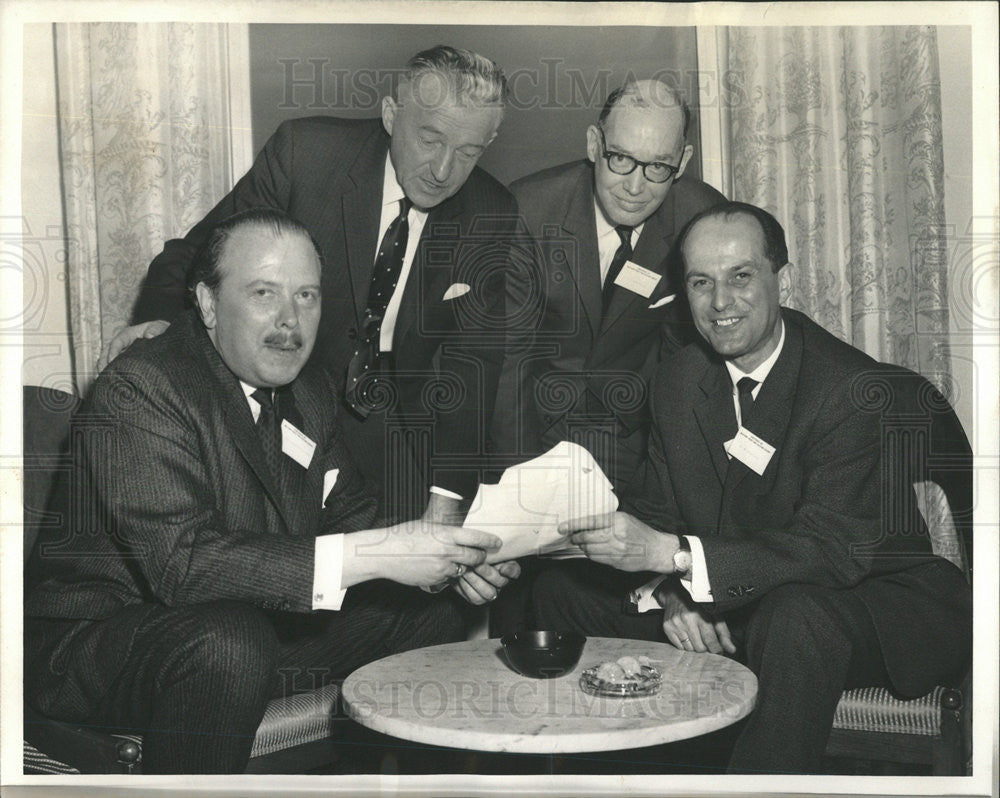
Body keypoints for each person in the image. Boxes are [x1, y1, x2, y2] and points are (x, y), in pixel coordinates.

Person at [24, 210, 510, 774]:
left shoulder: (308, 392)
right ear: (207, 304)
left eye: (306, 295)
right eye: (263, 293)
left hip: (244, 630)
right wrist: (380, 554)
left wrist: (447, 561)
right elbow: (181, 567)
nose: (290, 321)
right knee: (230, 642)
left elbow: (350, 515)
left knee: (430, 615)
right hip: (99, 650)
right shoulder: (141, 386)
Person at [531, 202, 973, 773]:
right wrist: (672, 589)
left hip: (872, 602)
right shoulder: (679, 378)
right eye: (701, 282)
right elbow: (660, 509)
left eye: (741, 276)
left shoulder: (852, 389)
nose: (721, 303)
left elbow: (827, 549)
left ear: (778, 276)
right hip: (745, 595)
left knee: (794, 617)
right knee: (556, 592)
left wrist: (676, 557)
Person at [100, 45, 519, 544]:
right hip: (292, 398)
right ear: (391, 115)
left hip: (401, 425)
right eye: (430, 139)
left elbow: (470, 368)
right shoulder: (306, 155)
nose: (443, 170)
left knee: (425, 593)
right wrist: (159, 322)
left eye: (469, 152)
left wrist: (447, 504)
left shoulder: (492, 213)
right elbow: (192, 255)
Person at [488, 78, 723, 636]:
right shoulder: (526, 210)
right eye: (620, 159)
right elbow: (507, 367)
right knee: (522, 626)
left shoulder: (700, 217)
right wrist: (526, 496)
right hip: (531, 435)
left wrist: (671, 542)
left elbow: (693, 377)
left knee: (613, 624)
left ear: (682, 161)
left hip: (633, 446)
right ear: (593, 144)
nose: (637, 187)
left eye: (658, 167)